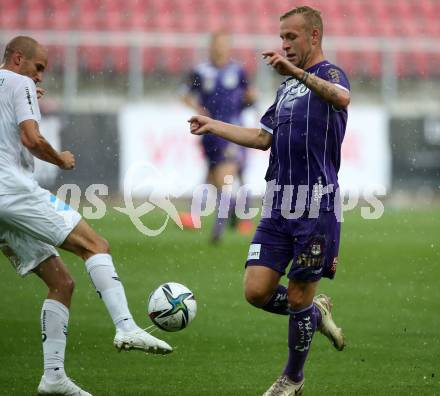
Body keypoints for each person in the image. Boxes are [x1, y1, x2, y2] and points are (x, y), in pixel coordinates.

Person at [189, 6, 350, 395]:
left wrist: (295, 72)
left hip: (316, 204)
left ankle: (292, 379)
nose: (284, 45)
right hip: (278, 201)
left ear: (313, 37)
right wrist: (215, 126)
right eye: (282, 38)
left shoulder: (329, 75)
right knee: (256, 291)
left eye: (291, 37)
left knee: (297, 294)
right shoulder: (286, 91)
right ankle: (317, 312)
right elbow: (262, 138)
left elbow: (342, 99)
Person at [0, 36, 172, 396]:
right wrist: (59, 159)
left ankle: (53, 377)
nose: (40, 77)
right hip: (12, 191)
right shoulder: (19, 82)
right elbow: (31, 139)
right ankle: (126, 325)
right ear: (18, 59)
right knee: (96, 244)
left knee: (61, 283)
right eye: (38, 68)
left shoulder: (10, 84)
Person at [181, 31, 256, 242]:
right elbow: (184, 94)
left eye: (223, 44)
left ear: (228, 47)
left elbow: (249, 97)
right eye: (216, 44)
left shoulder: (238, 70)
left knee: (226, 176)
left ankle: (218, 230)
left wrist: (251, 100)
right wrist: (199, 110)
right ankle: (234, 210)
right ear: (211, 46)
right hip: (210, 132)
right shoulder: (200, 71)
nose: (219, 48)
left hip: (233, 130)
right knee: (214, 178)